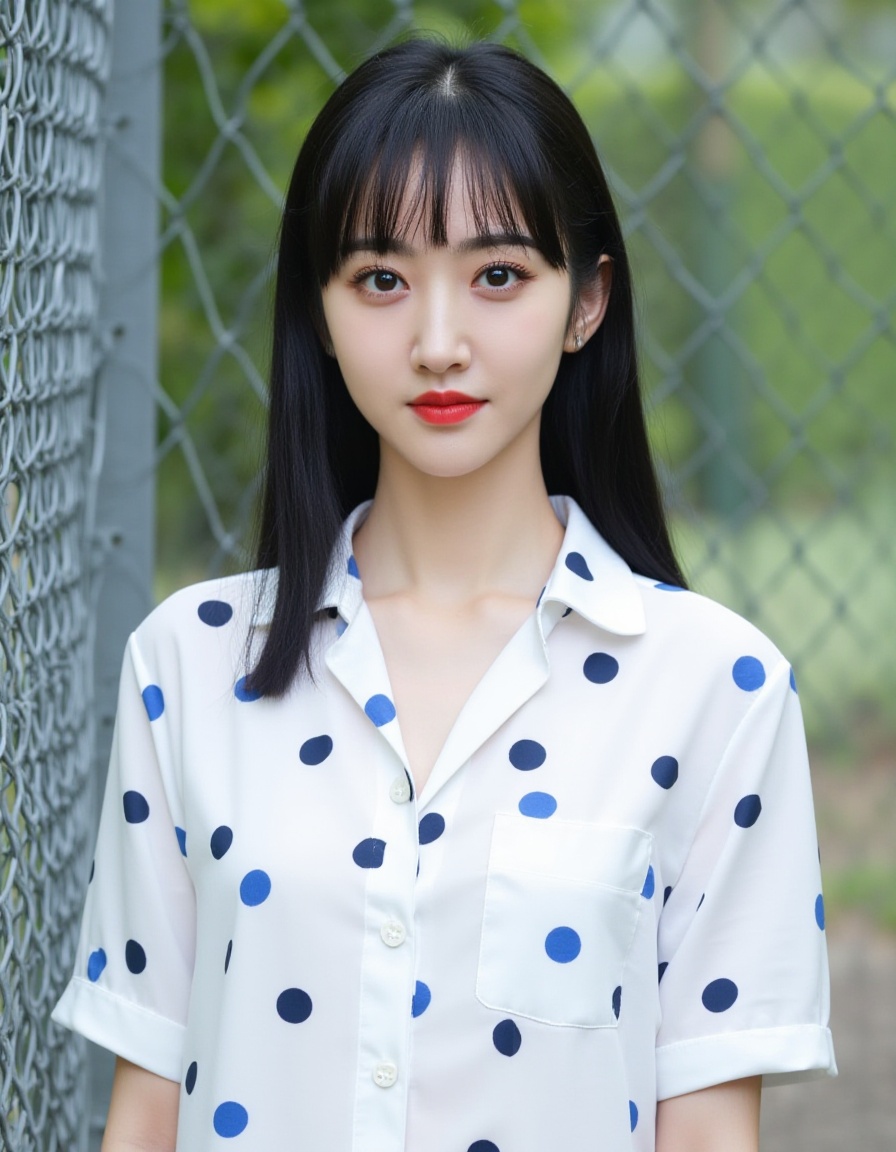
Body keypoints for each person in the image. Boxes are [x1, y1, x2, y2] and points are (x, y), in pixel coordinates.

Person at [52, 37, 836, 1152]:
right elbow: (145, 1112)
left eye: (498, 276)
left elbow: (707, 1133)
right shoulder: (188, 662)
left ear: (586, 301)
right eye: (379, 279)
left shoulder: (718, 687)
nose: (435, 343)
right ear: (317, 312)